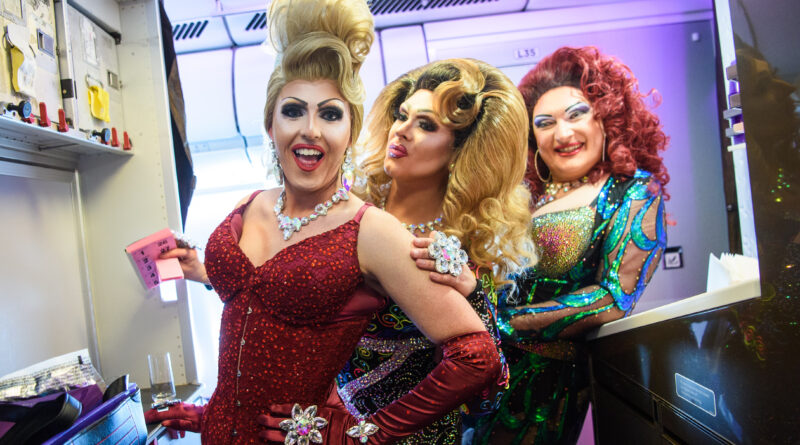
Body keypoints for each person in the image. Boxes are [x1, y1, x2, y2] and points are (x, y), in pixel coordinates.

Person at [144, 0, 502, 443]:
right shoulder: (248, 205)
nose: (310, 129)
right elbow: (260, 321)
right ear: (270, 124)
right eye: (293, 110)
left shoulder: (372, 230)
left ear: (349, 132)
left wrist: (362, 435)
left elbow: (476, 357)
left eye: (330, 114)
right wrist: (209, 412)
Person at [472, 46, 669, 444]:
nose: (562, 133)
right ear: (533, 138)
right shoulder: (526, 198)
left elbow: (614, 298)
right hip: (479, 375)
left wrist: (501, 323)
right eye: (545, 123)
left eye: (576, 114)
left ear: (606, 116)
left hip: (543, 388)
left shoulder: (630, 193)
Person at [332, 58, 534, 444]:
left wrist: (474, 294)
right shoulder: (345, 215)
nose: (402, 130)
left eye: (425, 125)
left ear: (459, 150)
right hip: (327, 426)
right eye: (402, 115)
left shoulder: (463, 256)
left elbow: (489, 395)